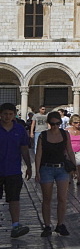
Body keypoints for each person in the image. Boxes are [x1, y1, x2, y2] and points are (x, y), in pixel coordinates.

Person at [35, 109, 75, 236]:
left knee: (62, 198)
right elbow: (38, 155)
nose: (55, 126)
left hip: (62, 169)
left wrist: (73, 168)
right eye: (53, 124)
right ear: (48, 123)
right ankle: (47, 226)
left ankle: (60, 224)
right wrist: (37, 171)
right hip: (46, 168)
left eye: (57, 123)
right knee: (47, 199)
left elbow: (70, 151)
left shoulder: (65, 134)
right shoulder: (43, 136)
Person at [0, 102, 32, 238]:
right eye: (5, 114)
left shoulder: (19, 129)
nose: (7, 116)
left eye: (10, 114)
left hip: (13, 170)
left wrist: (29, 166)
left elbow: (24, 149)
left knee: (14, 198)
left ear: (14, 115)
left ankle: (16, 225)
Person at [66, 114, 80, 186]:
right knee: (70, 165)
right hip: (70, 150)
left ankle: (79, 178)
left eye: (79, 122)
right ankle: (70, 178)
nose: (78, 124)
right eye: (75, 122)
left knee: (79, 164)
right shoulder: (67, 131)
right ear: (71, 123)